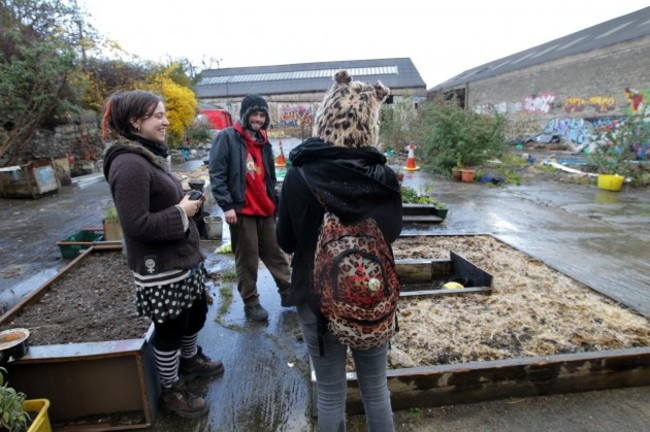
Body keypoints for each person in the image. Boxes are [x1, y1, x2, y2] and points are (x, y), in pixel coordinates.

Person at [276, 71, 402, 431]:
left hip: (316, 296)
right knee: (376, 388)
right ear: (370, 122)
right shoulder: (383, 175)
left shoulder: (299, 175)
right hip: (370, 294)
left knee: (330, 392)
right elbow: (391, 233)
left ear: (325, 117)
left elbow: (285, 241)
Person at [101, 90, 224, 419]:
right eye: (157, 115)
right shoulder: (128, 165)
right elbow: (137, 224)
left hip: (182, 261)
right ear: (135, 122)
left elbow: (160, 204)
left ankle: (190, 359)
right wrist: (182, 211)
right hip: (161, 268)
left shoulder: (147, 156)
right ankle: (171, 389)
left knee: (194, 314)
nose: (166, 120)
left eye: (164, 113)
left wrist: (185, 200)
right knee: (169, 329)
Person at [208, 94, 291, 322]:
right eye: (254, 114)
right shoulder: (227, 138)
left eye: (262, 114)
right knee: (248, 259)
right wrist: (226, 205)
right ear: (245, 115)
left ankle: (287, 291)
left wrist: (274, 201)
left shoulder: (263, 139)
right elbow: (217, 173)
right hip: (241, 210)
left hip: (264, 207)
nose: (258, 118)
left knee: (275, 253)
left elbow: (269, 174)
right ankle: (251, 302)